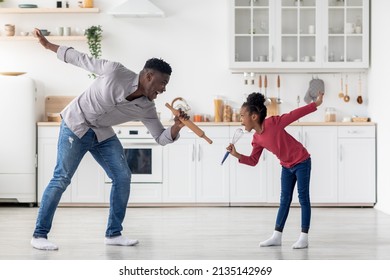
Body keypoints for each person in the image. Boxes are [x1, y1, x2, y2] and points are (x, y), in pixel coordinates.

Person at [31, 28, 189, 250]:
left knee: (122, 176)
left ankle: (113, 234)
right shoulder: (115, 71)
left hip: (101, 132)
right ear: (149, 76)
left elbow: (161, 138)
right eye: (162, 83)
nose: (164, 89)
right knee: (62, 177)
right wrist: (48, 45)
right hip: (76, 124)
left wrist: (176, 127)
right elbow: (80, 58)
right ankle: (39, 235)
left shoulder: (147, 108)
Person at [226, 91, 324, 249]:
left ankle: (304, 237)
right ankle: (276, 236)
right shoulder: (256, 139)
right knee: (284, 199)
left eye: (242, 115)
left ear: (254, 116)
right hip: (286, 166)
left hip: (302, 161)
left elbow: (295, 114)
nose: (241, 120)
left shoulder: (274, 123)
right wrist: (237, 154)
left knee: (303, 198)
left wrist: (316, 104)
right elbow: (253, 161)